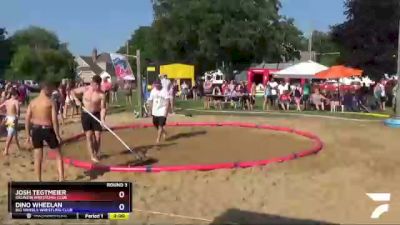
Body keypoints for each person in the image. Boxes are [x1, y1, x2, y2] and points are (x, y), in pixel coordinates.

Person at [25, 81, 64, 182]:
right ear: (45, 89)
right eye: (50, 89)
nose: (51, 91)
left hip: (36, 130)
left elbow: (27, 120)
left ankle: (38, 180)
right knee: (58, 154)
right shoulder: (51, 102)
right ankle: (61, 178)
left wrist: (27, 135)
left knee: (38, 157)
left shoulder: (32, 102)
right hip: (47, 129)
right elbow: (54, 120)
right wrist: (58, 135)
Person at [72, 75, 106, 163]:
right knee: (89, 136)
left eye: (99, 85)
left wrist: (102, 119)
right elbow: (72, 92)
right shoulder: (86, 89)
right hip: (86, 115)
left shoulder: (102, 94)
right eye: (96, 85)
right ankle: (92, 155)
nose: (97, 87)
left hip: (96, 114)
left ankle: (96, 152)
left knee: (98, 137)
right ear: (92, 83)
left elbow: (103, 108)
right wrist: (76, 100)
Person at [0, 89, 21, 155]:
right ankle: (6, 149)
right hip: (12, 118)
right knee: (10, 134)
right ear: (15, 95)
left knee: (14, 133)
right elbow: (18, 110)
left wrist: (4, 112)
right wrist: (17, 116)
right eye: (17, 95)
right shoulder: (15, 101)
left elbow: (0, 106)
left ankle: (19, 147)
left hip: (7, 117)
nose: (17, 96)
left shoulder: (7, 101)